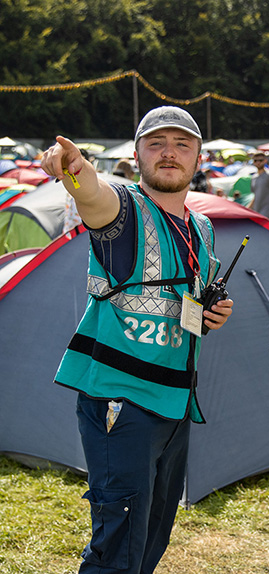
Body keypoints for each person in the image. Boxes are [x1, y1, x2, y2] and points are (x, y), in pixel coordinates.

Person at [40, 105, 235, 574]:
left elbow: (183, 304)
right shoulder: (124, 210)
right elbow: (93, 197)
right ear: (136, 155)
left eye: (182, 144)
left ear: (199, 158)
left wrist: (212, 313)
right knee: (119, 549)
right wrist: (76, 169)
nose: (169, 153)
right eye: (156, 144)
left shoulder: (203, 227)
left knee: (149, 541)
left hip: (175, 406)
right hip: (121, 405)